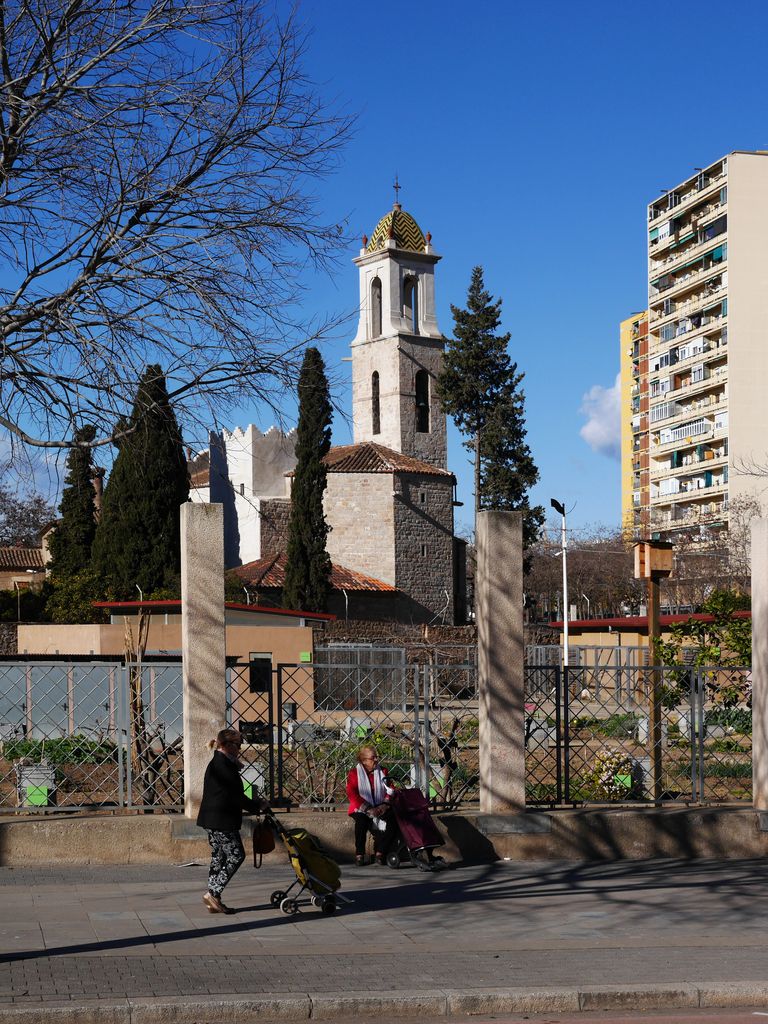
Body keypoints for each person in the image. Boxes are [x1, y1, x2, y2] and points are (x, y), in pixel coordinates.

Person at [196, 727, 269, 914]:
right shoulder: (222, 765)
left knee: (219, 856)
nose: (240, 748)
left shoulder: (222, 762)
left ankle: (214, 897)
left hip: (213, 818)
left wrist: (236, 764)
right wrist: (256, 806)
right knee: (236, 856)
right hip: (221, 819)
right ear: (227, 745)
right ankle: (213, 892)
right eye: (238, 744)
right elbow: (236, 795)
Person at [346, 745, 397, 865]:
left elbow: (390, 789)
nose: (376, 760)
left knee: (394, 821)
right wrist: (368, 809)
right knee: (361, 822)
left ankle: (380, 852)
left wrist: (384, 805)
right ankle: (359, 854)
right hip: (361, 808)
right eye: (372, 758)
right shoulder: (354, 773)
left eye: (376, 757)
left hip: (380, 806)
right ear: (363, 760)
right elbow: (352, 794)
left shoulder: (383, 771)